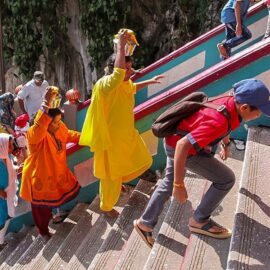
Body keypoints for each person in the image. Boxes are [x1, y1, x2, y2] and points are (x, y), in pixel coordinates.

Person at [134, 78, 270, 246]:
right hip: (181, 147)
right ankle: (199, 220)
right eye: (259, 112)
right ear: (244, 107)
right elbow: (182, 145)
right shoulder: (219, 121)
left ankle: (144, 223)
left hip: (175, 137)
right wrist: (179, 185)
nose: (259, 115)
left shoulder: (230, 101)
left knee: (168, 181)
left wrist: (225, 144)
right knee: (226, 179)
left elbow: (227, 124)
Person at [79, 29, 164, 217]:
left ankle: (120, 184)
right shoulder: (105, 85)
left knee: (143, 159)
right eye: (126, 69)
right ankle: (106, 207)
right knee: (111, 176)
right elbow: (117, 76)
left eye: (130, 69)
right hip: (111, 141)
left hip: (126, 135)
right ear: (116, 68)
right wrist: (121, 47)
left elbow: (131, 86)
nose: (129, 73)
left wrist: (150, 80)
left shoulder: (124, 83)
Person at [19, 87, 81, 241]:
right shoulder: (35, 134)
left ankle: (57, 214)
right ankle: (43, 232)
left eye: (60, 121)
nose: (58, 125)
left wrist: (88, 137)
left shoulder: (59, 127)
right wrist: (45, 101)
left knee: (58, 196)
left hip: (54, 172)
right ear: (46, 122)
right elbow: (40, 125)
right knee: (40, 209)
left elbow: (69, 135)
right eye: (55, 122)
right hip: (37, 177)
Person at [0, 134, 19, 249]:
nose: (12, 148)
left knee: (8, 216)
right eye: (9, 145)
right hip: (2, 197)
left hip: (8, 195)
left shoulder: (7, 157)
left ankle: (0, 241)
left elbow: (10, 169)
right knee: (2, 219)